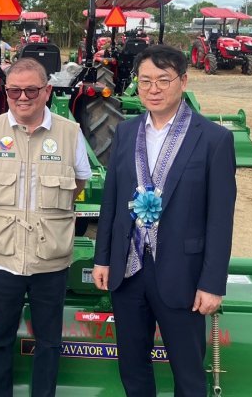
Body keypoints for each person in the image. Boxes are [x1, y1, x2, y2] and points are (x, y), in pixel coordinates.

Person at [92, 44, 237, 397]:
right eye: (145, 81)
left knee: (188, 374)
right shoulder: (126, 133)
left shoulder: (214, 140)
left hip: (182, 277)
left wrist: (213, 283)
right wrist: (102, 257)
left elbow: (220, 218)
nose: (153, 89)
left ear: (183, 81)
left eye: (163, 80)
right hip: (128, 273)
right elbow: (111, 200)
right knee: (133, 369)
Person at [0, 58, 91, 397]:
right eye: (14, 90)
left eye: (31, 90)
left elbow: (78, 182)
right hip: (2, 258)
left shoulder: (70, 134)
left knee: (50, 342)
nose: (23, 97)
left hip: (49, 259)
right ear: (5, 92)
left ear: (48, 91)